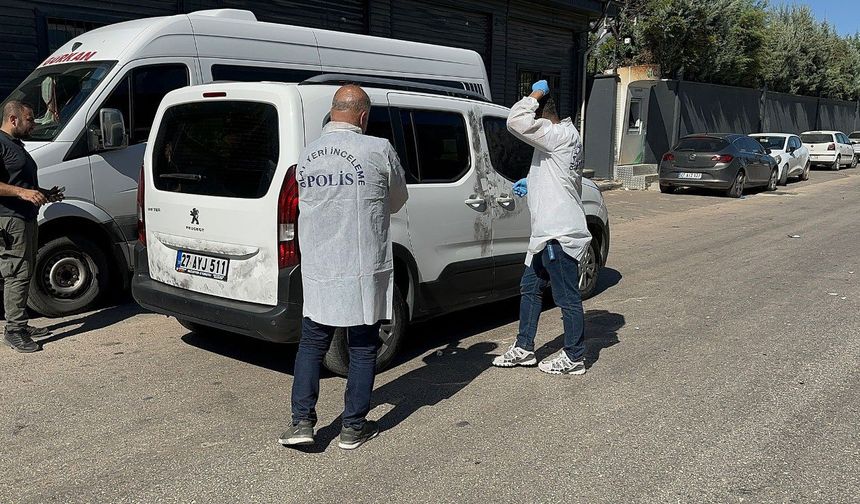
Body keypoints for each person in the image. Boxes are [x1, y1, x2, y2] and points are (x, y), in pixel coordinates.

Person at [280, 85, 408, 450]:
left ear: (334, 112)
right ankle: (353, 427)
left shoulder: (306, 155)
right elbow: (398, 199)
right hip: (362, 265)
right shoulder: (378, 149)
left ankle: (302, 422)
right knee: (364, 345)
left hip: (321, 265)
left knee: (312, 344)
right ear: (363, 117)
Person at [492, 80, 592, 375]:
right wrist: (532, 182)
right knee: (530, 288)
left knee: (566, 297)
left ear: (540, 116)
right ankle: (524, 348)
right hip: (547, 232)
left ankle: (574, 357)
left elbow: (515, 120)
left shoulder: (557, 134)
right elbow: (558, 176)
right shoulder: (568, 135)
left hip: (558, 233)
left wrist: (533, 95)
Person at [0, 101, 64, 353]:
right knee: (16, 273)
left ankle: (20, 323)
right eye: (29, 120)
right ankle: (14, 330)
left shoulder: (16, 145)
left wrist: (44, 193)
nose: (34, 124)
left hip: (25, 217)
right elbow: (14, 188)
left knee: (25, 272)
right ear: (13, 119)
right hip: (10, 220)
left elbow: (20, 182)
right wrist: (22, 193)